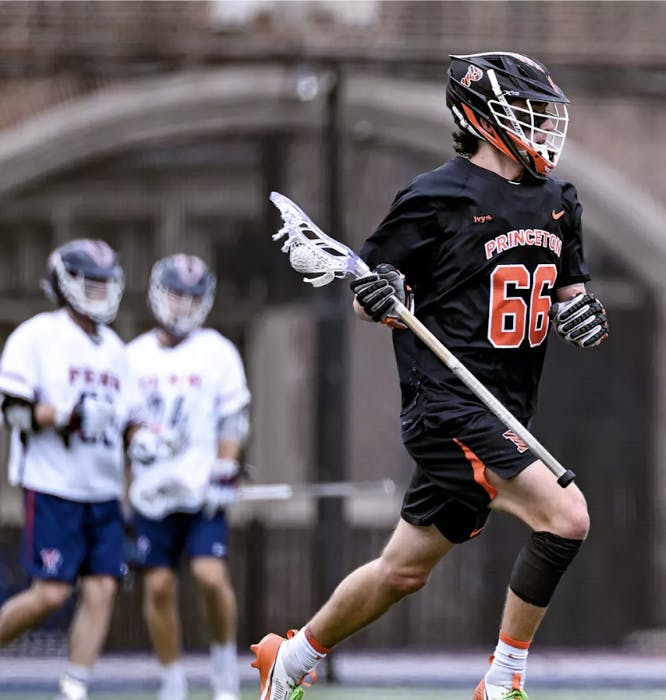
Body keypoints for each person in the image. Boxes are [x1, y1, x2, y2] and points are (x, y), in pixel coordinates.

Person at [250, 51, 608, 700]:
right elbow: (372, 291)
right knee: (567, 517)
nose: (542, 127)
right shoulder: (436, 197)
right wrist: (382, 299)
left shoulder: (559, 201)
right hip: (448, 408)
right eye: (529, 113)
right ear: (482, 115)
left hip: (503, 409)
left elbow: (568, 291)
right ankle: (503, 683)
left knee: (401, 572)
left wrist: (581, 313)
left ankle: (291, 657)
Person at [0, 239, 174, 700]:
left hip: (102, 489)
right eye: (89, 284)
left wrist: (144, 441)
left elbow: (130, 417)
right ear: (65, 284)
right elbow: (12, 410)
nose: (99, 293)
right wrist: (66, 415)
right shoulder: (37, 335)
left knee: (102, 589)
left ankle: (75, 686)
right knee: (51, 594)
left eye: (105, 284)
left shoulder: (115, 348)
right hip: (54, 484)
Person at [126, 254, 251, 700]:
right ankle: (172, 678)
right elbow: (127, 421)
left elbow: (233, 419)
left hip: (201, 493)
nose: (182, 306)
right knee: (158, 585)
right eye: (176, 295)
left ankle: (223, 671)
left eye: (192, 298)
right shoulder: (133, 356)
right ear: (160, 295)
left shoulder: (218, 351)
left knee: (210, 576)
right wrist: (138, 439)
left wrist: (224, 466)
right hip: (153, 493)